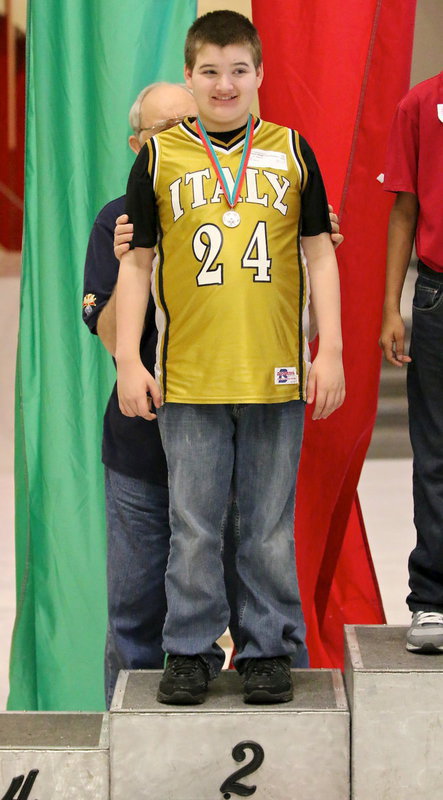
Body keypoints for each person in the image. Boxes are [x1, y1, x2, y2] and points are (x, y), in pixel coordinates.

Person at [115, 10, 345, 706]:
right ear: (190, 76)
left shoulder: (292, 150)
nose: (225, 84)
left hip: (276, 373)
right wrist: (129, 359)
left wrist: (330, 349)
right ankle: (189, 649)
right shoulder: (158, 157)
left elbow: (319, 255)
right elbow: (136, 263)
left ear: (259, 74)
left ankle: (266, 648)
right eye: (210, 71)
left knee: (267, 527)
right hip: (189, 377)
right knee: (193, 525)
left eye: (238, 70)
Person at [82, 82, 200, 709]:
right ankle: (128, 745)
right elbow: (106, 332)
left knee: (232, 606)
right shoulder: (116, 219)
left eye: (190, 123)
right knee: (134, 614)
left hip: (228, 436)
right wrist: (136, 261)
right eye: (163, 129)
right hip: (141, 444)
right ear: (137, 145)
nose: (181, 136)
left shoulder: (238, 209)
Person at [380, 70, 443, 653]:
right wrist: (390, 308)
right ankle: (433, 599)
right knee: (436, 452)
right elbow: (404, 208)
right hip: (438, 293)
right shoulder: (421, 103)